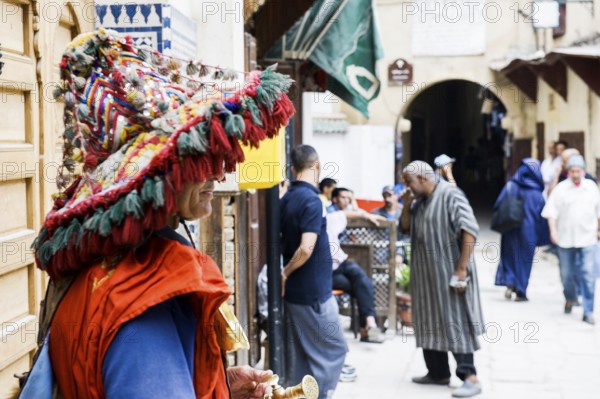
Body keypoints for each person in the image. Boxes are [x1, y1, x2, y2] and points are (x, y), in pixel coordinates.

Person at [19, 30, 295, 398]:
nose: (217, 172)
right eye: (200, 158)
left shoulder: (101, 273)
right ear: (159, 180)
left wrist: (215, 385)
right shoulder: (147, 293)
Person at [401, 161, 484, 398]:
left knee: (456, 320)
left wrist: (461, 269)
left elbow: (470, 230)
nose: (406, 187)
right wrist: (406, 206)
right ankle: (438, 372)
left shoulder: (451, 194)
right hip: (425, 275)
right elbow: (405, 227)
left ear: (423, 178)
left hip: (450, 271)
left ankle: (470, 377)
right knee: (428, 319)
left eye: (408, 182)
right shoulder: (417, 202)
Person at [280, 145, 348, 399]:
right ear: (317, 165)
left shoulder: (287, 198)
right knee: (335, 351)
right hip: (313, 294)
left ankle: (301, 395)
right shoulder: (311, 200)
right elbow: (306, 248)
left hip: (300, 292)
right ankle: (320, 395)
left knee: (304, 357)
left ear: (294, 168)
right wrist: (286, 272)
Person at [542, 155, 600, 325]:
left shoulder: (591, 187)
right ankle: (570, 298)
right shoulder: (561, 189)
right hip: (566, 238)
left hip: (588, 237)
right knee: (566, 274)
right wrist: (553, 231)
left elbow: (598, 211)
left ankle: (588, 311)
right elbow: (551, 212)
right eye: (573, 171)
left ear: (583, 171)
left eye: (578, 171)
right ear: (568, 172)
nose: (575, 174)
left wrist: (598, 229)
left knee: (588, 274)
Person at [326, 189, 385, 343]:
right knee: (361, 286)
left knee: (362, 279)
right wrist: (366, 214)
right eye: (343, 197)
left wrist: (361, 211)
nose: (346, 201)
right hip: (326, 270)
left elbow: (349, 212)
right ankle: (366, 328)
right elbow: (347, 214)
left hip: (341, 262)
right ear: (334, 199)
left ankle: (369, 325)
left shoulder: (336, 214)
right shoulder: (328, 213)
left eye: (349, 198)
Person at [494, 158, 550, 301]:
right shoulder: (537, 193)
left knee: (509, 256)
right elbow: (543, 216)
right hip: (529, 232)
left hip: (510, 228)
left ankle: (510, 282)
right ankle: (520, 291)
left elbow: (498, 205)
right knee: (525, 260)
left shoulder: (511, 186)